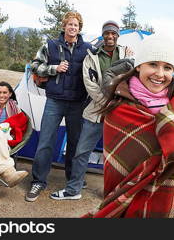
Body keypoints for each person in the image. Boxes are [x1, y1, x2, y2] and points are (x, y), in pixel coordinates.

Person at [84, 34, 174, 218]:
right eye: (153, 64)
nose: (159, 73)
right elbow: (117, 168)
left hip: (168, 199)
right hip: (128, 201)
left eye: (167, 67)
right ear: (139, 65)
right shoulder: (119, 108)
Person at [50, 20, 133, 200]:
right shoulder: (91, 57)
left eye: (113, 33)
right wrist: (106, 103)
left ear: (117, 36)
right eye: (107, 33)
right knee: (81, 151)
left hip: (121, 113)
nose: (110, 36)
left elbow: (133, 81)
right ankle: (73, 190)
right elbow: (90, 85)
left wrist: (119, 105)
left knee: (121, 155)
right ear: (103, 35)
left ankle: (117, 192)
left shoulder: (127, 54)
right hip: (96, 111)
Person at [26, 11, 93, 202]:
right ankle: (38, 181)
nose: (73, 28)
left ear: (80, 28)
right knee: (46, 141)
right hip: (54, 101)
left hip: (77, 103)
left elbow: (100, 66)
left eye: (76, 25)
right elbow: (35, 66)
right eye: (70, 24)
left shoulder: (88, 49)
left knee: (75, 144)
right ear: (64, 26)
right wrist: (54, 69)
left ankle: (74, 179)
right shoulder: (50, 46)